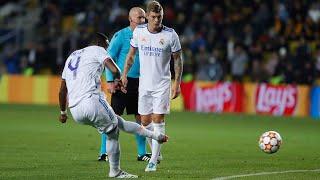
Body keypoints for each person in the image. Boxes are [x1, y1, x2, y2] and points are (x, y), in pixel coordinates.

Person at [58, 32, 168, 178]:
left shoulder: (73, 55)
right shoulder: (98, 50)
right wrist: (118, 81)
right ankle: (115, 171)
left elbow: (62, 90)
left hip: (75, 110)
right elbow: (115, 69)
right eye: (107, 44)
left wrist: (63, 112)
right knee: (113, 133)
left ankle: (155, 136)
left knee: (117, 121)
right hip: (92, 101)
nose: (108, 48)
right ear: (100, 43)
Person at [122, 1, 183, 172]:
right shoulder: (139, 31)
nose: (157, 20)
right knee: (145, 122)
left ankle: (153, 160)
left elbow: (178, 60)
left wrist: (177, 83)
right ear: (147, 16)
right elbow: (131, 54)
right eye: (154, 17)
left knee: (158, 120)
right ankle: (157, 152)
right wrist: (124, 74)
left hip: (162, 84)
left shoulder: (171, 35)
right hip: (144, 84)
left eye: (160, 17)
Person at [98, 7, 152, 163]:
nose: (143, 21)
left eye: (144, 18)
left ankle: (142, 153)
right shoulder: (121, 36)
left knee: (140, 118)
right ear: (131, 20)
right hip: (121, 81)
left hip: (141, 82)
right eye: (139, 18)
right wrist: (110, 81)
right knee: (112, 118)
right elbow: (108, 57)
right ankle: (104, 152)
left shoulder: (148, 36)